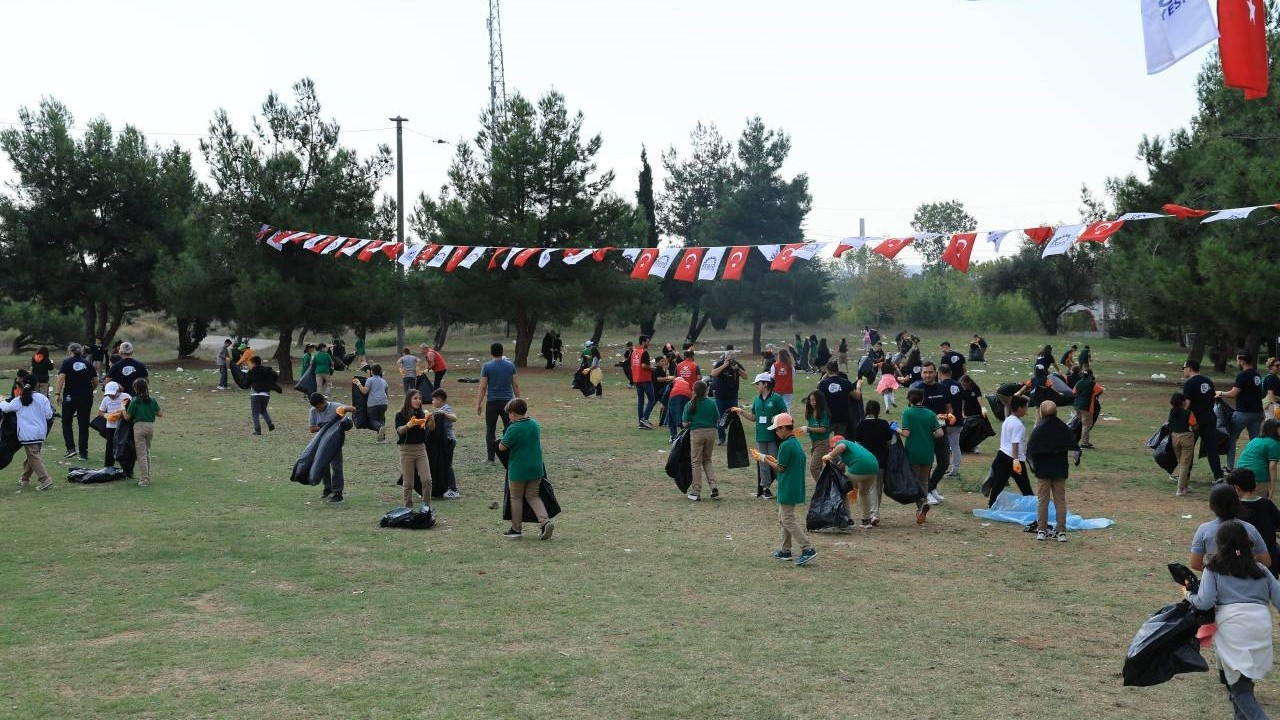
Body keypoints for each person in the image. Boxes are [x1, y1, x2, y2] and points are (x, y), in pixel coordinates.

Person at [1185, 520, 1280, 720]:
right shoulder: (1260, 569)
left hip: (1233, 628)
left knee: (1240, 691)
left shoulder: (1214, 569)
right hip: (1259, 625)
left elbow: (1203, 602)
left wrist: (1188, 594)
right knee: (1242, 682)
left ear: (1219, 544)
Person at [757, 412, 816, 566]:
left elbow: (781, 468)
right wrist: (772, 459)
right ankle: (785, 550)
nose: (776, 432)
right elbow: (786, 463)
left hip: (788, 486)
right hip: (793, 485)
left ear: (784, 428)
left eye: (777, 429)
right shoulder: (795, 443)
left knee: (787, 519)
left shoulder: (785, 445)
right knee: (783, 518)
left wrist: (763, 459)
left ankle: (807, 548)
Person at [497, 398, 554, 540]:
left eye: (509, 413)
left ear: (513, 413)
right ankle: (545, 521)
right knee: (533, 496)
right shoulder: (534, 424)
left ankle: (516, 529)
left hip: (518, 469)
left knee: (516, 498)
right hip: (536, 467)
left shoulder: (514, 428)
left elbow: (502, 447)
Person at [1026, 400, 1081, 541]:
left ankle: (1041, 530)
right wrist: (1075, 460)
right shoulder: (1062, 427)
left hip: (1043, 470)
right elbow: (1074, 447)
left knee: (1042, 500)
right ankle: (1061, 531)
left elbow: (1030, 450)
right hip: (1060, 469)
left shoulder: (1039, 428)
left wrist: (1034, 467)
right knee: (1060, 500)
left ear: (1042, 412)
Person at [1191, 483, 1271, 571]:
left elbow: (1195, 563)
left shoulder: (1204, 529)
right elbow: (1266, 562)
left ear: (1211, 506)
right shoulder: (1250, 528)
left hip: (1216, 582)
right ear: (1238, 503)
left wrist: (1215, 573)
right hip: (1245, 580)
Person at [733, 373, 788, 499]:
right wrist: (741, 412)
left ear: (766, 384)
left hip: (774, 436)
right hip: (761, 436)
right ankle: (766, 489)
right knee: (763, 463)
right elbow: (754, 417)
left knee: (775, 462)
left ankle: (784, 487)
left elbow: (785, 415)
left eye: (758, 384)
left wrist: (777, 418)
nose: (756, 386)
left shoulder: (776, 398)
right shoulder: (756, 399)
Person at [909, 361, 953, 505]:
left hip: (941, 431)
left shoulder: (942, 387)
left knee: (944, 462)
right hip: (924, 434)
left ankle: (932, 487)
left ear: (936, 373)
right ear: (921, 374)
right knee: (927, 464)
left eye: (930, 372)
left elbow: (948, 406)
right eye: (925, 372)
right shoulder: (917, 389)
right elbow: (912, 412)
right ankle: (926, 493)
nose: (927, 375)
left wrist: (950, 415)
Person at [0, 379, 55, 491]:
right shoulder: (42, 398)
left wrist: (1, 400)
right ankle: (25, 479)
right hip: (40, 432)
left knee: (33, 457)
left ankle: (45, 479)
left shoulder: (19, 399)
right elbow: (49, 415)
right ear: (36, 385)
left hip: (28, 434)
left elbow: (6, 408)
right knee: (33, 456)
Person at [899, 387, 942, 524]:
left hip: (913, 453)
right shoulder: (930, 414)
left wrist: (895, 428)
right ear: (922, 399)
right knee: (924, 481)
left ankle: (922, 505)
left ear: (909, 399)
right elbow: (940, 433)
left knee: (914, 481)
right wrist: (929, 436)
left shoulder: (908, 413)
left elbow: (906, 433)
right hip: (927, 452)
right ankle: (921, 509)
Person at [1228, 469, 1280, 576]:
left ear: (1236, 488)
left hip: (1244, 565)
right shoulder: (1267, 504)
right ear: (1255, 484)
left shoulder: (1234, 509)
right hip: (1270, 564)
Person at [823, 433, 880, 529]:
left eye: (832, 447)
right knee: (864, 493)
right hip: (874, 468)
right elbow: (843, 466)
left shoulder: (842, 443)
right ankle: (866, 521)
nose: (832, 449)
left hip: (860, 467)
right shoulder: (854, 447)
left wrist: (829, 455)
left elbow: (841, 446)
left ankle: (846, 520)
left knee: (841, 491)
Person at [1221, 353, 1266, 470]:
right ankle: (1256, 467)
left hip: (1243, 413)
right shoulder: (1257, 375)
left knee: (1231, 438)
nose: (1237, 362)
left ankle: (1230, 467)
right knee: (1255, 442)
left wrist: (1220, 393)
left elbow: (1233, 394)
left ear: (1242, 361)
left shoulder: (1243, 375)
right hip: (1257, 413)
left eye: (1237, 360)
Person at [986, 395, 1033, 508]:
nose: (1026, 410)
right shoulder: (1018, 424)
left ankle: (992, 504)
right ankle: (1033, 506)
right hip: (1013, 458)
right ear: (1019, 408)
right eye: (1025, 407)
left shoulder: (1008, 420)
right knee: (1024, 485)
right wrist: (1016, 461)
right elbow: (1015, 444)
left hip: (1002, 455)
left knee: (999, 483)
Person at [308, 392, 356, 503]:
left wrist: (345, 409)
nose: (318, 409)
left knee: (336, 467)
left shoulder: (335, 407)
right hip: (321, 442)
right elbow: (311, 428)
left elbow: (352, 409)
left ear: (323, 402)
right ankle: (327, 489)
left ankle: (338, 493)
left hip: (334, 442)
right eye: (316, 407)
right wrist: (323, 426)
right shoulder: (313, 411)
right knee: (323, 466)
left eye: (319, 407)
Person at [851, 400, 893, 528]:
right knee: (877, 488)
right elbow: (889, 442)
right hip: (880, 461)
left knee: (865, 490)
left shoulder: (861, 425)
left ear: (866, 410)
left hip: (865, 463)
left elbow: (857, 445)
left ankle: (869, 514)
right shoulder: (884, 424)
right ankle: (874, 513)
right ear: (878, 411)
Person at [394, 389, 435, 514]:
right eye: (415, 398)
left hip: (421, 449)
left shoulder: (423, 414)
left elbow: (431, 428)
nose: (418, 401)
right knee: (408, 483)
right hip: (406, 450)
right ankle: (408, 509)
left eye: (419, 398)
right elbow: (400, 430)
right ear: (409, 400)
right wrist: (409, 425)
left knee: (427, 479)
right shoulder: (400, 414)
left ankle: (426, 507)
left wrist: (431, 420)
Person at [477, 342, 520, 463]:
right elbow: (515, 385)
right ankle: (511, 455)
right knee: (510, 428)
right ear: (502, 352)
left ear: (491, 352)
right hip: (508, 403)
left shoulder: (487, 366)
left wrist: (478, 403)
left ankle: (491, 458)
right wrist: (518, 400)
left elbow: (483, 386)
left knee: (490, 430)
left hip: (492, 402)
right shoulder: (510, 366)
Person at [54, 343, 96, 461]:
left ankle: (71, 449)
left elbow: (61, 377)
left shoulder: (67, 362)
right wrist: (90, 390)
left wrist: (57, 394)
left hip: (70, 397)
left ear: (70, 352)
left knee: (66, 421)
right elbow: (96, 380)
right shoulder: (87, 363)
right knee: (83, 425)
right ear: (81, 352)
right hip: (86, 397)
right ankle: (83, 454)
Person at [1184, 359, 1225, 482]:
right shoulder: (1208, 381)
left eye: (1184, 368)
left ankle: (1185, 475)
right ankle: (1218, 476)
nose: (1183, 370)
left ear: (1189, 368)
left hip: (1195, 421)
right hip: (1209, 418)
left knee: (1189, 448)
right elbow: (1212, 398)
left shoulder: (1189, 384)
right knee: (1212, 448)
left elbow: (1187, 405)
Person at [682, 380, 719, 501]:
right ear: (706, 391)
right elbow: (717, 418)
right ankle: (713, 486)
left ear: (694, 391)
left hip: (697, 433)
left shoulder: (690, 404)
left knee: (696, 462)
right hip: (711, 432)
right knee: (707, 460)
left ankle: (696, 490)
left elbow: (685, 423)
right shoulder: (711, 403)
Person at [122, 378, 162, 487]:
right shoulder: (152, 400)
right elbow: (160, 414)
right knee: (147, 451)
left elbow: (127, 417)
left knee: (141, 454)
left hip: (139, 427)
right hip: (150, 426)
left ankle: (145, 478)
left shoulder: (135, 401)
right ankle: (147, 475)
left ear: (136, 388)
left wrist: (123, 408)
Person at [98, 381, 134, 478]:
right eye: (109, 394)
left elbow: (131, 409)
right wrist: (106, 415)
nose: (111, 396)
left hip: (123, 427)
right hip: (111, 427)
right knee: (110, 447)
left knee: (124, 448)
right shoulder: (106, 399)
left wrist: (120, 414)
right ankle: (108, 468)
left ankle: (127, 471)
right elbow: (101, 411)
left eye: (112, 394)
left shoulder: (125, 396)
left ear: (118, 391)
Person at [710, 348, 746, 445]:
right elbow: (713, 373)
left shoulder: (737, 365)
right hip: (720, 397)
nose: (730, 360)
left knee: (733, 418)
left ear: (734, 357)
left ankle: (734, 438)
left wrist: (737, 370)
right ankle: (722, 438)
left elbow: (746, 376)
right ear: (725, 357)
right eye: (728, 358)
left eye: (732, 358)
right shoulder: (720, 363)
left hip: (732, 397)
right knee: (720, 418)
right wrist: (724, 365)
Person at [1237, 419, 1280, 499]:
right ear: (1273, 429)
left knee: (1243, 502)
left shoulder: (1255, 440)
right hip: (1257, 477)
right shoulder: (1275, 443)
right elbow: (1273, 467)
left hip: (1240, 473)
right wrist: (1272, 488)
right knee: (1258, 503)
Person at [818, 361, 861, 439]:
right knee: (838, 441)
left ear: (827, 371)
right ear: (837, 370)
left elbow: (818, 388)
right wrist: (858, 386)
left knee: (822, 439)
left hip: (828, 417)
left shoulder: (823, 384)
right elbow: (857, 396)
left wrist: (824, 376)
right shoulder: (846, 383)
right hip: (842, 417)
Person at [431, 388, 461, 498]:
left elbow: (454, 418)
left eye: (433, 400)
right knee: (442, 464)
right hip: (442, 441)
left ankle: (453, 490)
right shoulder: (439, 409)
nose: (432, 402)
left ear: (439, 399)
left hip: (449, 440)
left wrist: (445, 414)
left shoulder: (446, 409)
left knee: (447, 465)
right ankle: (442, 487)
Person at [354, 364, 390, 443]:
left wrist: (358, 383)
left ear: (371, 371)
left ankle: (379, 428)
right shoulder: (384, 381)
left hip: (373, 403)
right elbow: (387, 394)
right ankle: (382, 439)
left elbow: (364, 391)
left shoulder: (370, 380)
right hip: (384, 403)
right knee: (381, 419)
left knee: (373, 420)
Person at [1169, 392, 1196, 496]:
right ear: (1183, 402)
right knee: (1185, 464)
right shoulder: (1188, 413)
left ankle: (1185, 486)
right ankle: (1180, 489)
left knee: (1181, 462)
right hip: (1186, 438)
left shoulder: (1172, 412)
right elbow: (1194, 426)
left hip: (1174, 438)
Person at [801, 390, 831, 483]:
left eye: (814, 400)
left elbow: (823, 429)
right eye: (810, 400)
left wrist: (809, 429)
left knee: (813, 467)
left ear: (820, 400)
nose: (812, 402)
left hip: (822, 443)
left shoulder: (823, 413)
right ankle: (825, 487)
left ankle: (822, 487)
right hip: (814, 443)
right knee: (818, 467)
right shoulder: (811, 412)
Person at [939, 364, 963, 477]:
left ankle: (941, 468)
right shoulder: (958, 385)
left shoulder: (940, 386)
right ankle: (956, 470)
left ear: (939, 373)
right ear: (951, 373)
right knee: (955, 446)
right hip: (958, 420)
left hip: (944, 420)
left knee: (940, 447)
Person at [245, 355, 278, 435]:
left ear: (254, 363)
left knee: (255, 413)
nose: (250, 365)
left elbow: (246, 384)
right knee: (263, 410)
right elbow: (275, 375)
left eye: (250, 363)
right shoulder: (267, 370)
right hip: (266, 395)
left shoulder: (252, 372)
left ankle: (257, 430)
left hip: (255, 394)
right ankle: (270, 424)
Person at [631, 336, 657, 430]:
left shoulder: (634, 352)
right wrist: (652, 368)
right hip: (645, 379)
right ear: (643, 342)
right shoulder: (644, 352)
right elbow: (643, 366)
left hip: (637, 379)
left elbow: (633, 365)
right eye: (648, 341)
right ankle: (645, 419)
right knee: (652, 399)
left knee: (640, 401)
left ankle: (640, 422)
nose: (649, 343)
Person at [1072, 368, 1102, 449]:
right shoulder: (1092, 383)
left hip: (1077, 406)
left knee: (1080, 423)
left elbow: (1074, 392)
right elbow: (1100, 390)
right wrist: (1093, 394)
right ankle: (1084, 443)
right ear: (1091, 375)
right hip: (1086, 406)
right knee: (1086, 425)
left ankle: (1073, 439)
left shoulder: (1079, 382)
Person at [666, 374, 693, 442]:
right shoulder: (687, 383)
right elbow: (692, 392)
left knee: (671, 416)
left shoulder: (674, 382)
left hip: (674, 395)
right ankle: (685, 434)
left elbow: (667, 392)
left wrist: (663, 403)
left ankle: (673, 436)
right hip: (687, 396)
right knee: (684, 414)